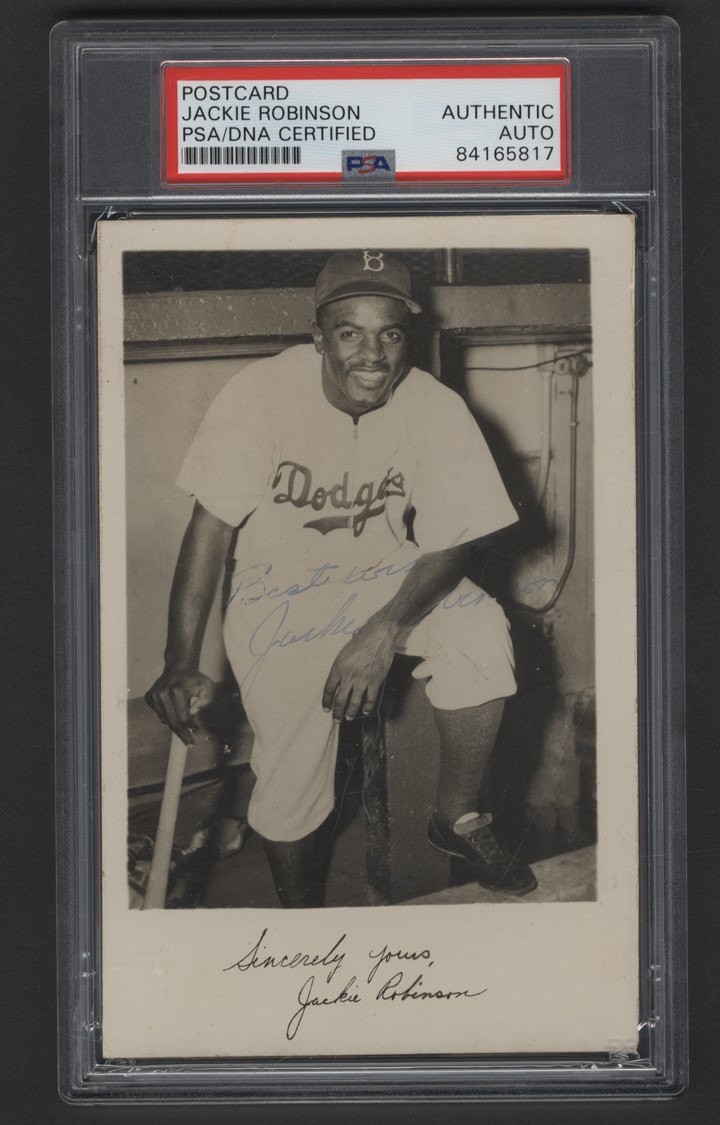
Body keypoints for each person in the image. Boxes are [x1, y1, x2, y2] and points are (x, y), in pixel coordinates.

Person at [145, 249, 537, 906]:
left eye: (389, 332)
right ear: (318, 335)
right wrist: (180, 658)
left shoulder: (432, 405)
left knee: (480, 628)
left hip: (387, 579)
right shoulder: (259, 394)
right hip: (279, 596)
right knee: (294, 775)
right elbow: (209, 528)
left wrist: (384, 629)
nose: (373, 353)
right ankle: (303, 923)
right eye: (351, 332)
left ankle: (457, 817)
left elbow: (456, 539)